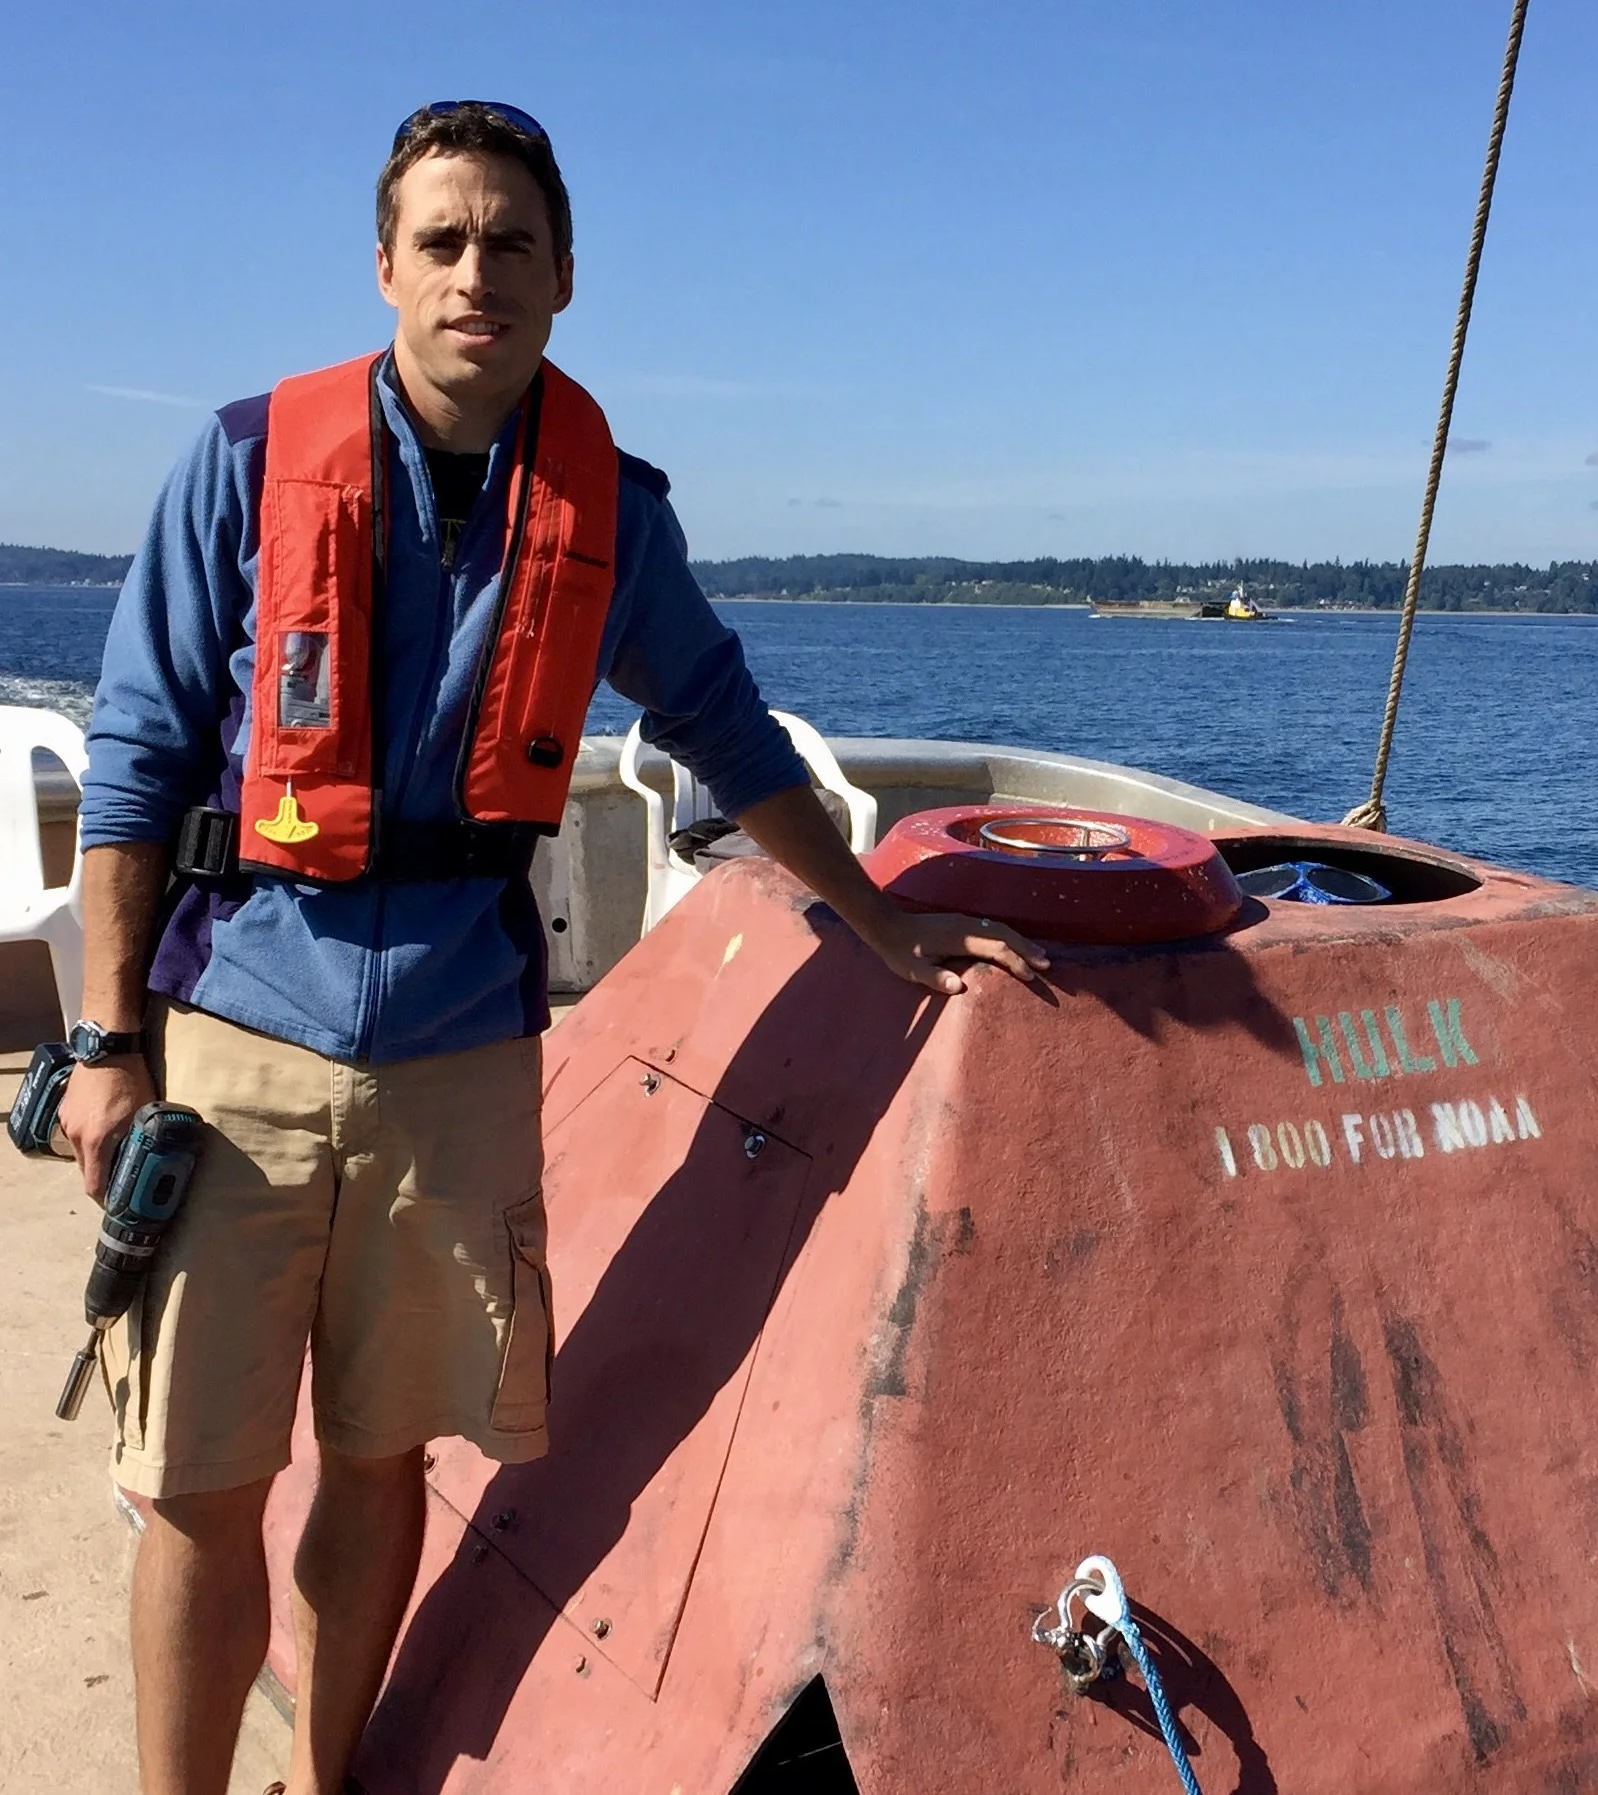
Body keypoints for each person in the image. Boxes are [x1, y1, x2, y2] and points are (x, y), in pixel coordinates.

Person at [59, 101, 1047, 1795]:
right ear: (384, 266)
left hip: (459, 1055)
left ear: (564, 277)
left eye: (511, 243)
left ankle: (330, 1776)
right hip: (233, 1031)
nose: (475, 275)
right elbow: (139, 761)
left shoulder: (612, 511)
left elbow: (729, 733)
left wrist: (876, 918)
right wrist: (102, 1044)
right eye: (440, 242)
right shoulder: (238, 461)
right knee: (203, 1482)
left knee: (381, 1464)